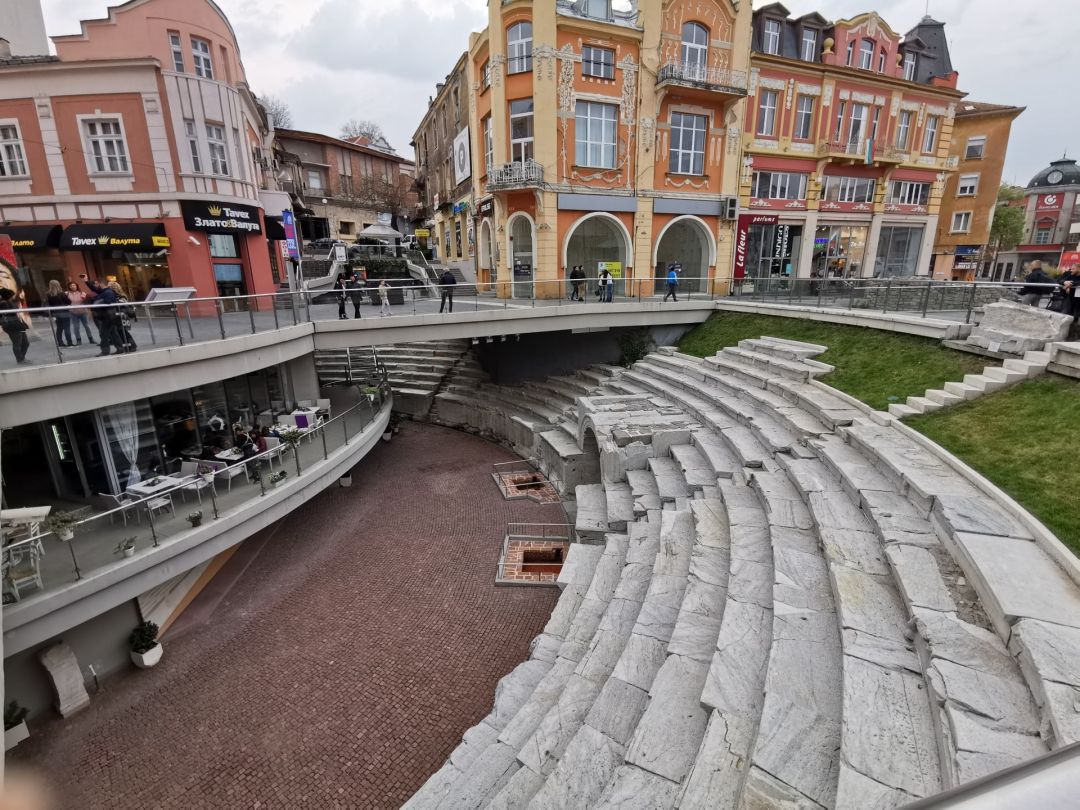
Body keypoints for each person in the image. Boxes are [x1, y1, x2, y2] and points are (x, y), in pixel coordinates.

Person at [82, 275, 122, 355]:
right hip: (108, 316)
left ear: (101, 284)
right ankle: (119, 348)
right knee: (113, 333)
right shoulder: (104, 291)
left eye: (96, 284)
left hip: (108, 316)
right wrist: (86, 281)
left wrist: (96, 303)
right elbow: (94, 289)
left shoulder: (108, 292)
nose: (95, 286)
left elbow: (108, 302)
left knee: (104, 334)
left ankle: (106, 350)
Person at [0, 287, 29, 363]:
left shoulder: (9, 302)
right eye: (11, 295)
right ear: (8, 296)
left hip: (17, 323)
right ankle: (20, 359)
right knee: (17, 343)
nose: (12, 296)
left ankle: (21, 358)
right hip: (12, 325)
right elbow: (9, 313)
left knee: (26, 343)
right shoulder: (4, 303)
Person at [45, 279, 73, 347]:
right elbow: (69, 302)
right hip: (65, 312)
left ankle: (60, 343)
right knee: (67, 328)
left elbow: (48, 304)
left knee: (59, 328)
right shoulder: (62, 293)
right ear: (58, 285)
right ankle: (69, 342)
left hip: (55, 313)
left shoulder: (48, 294)